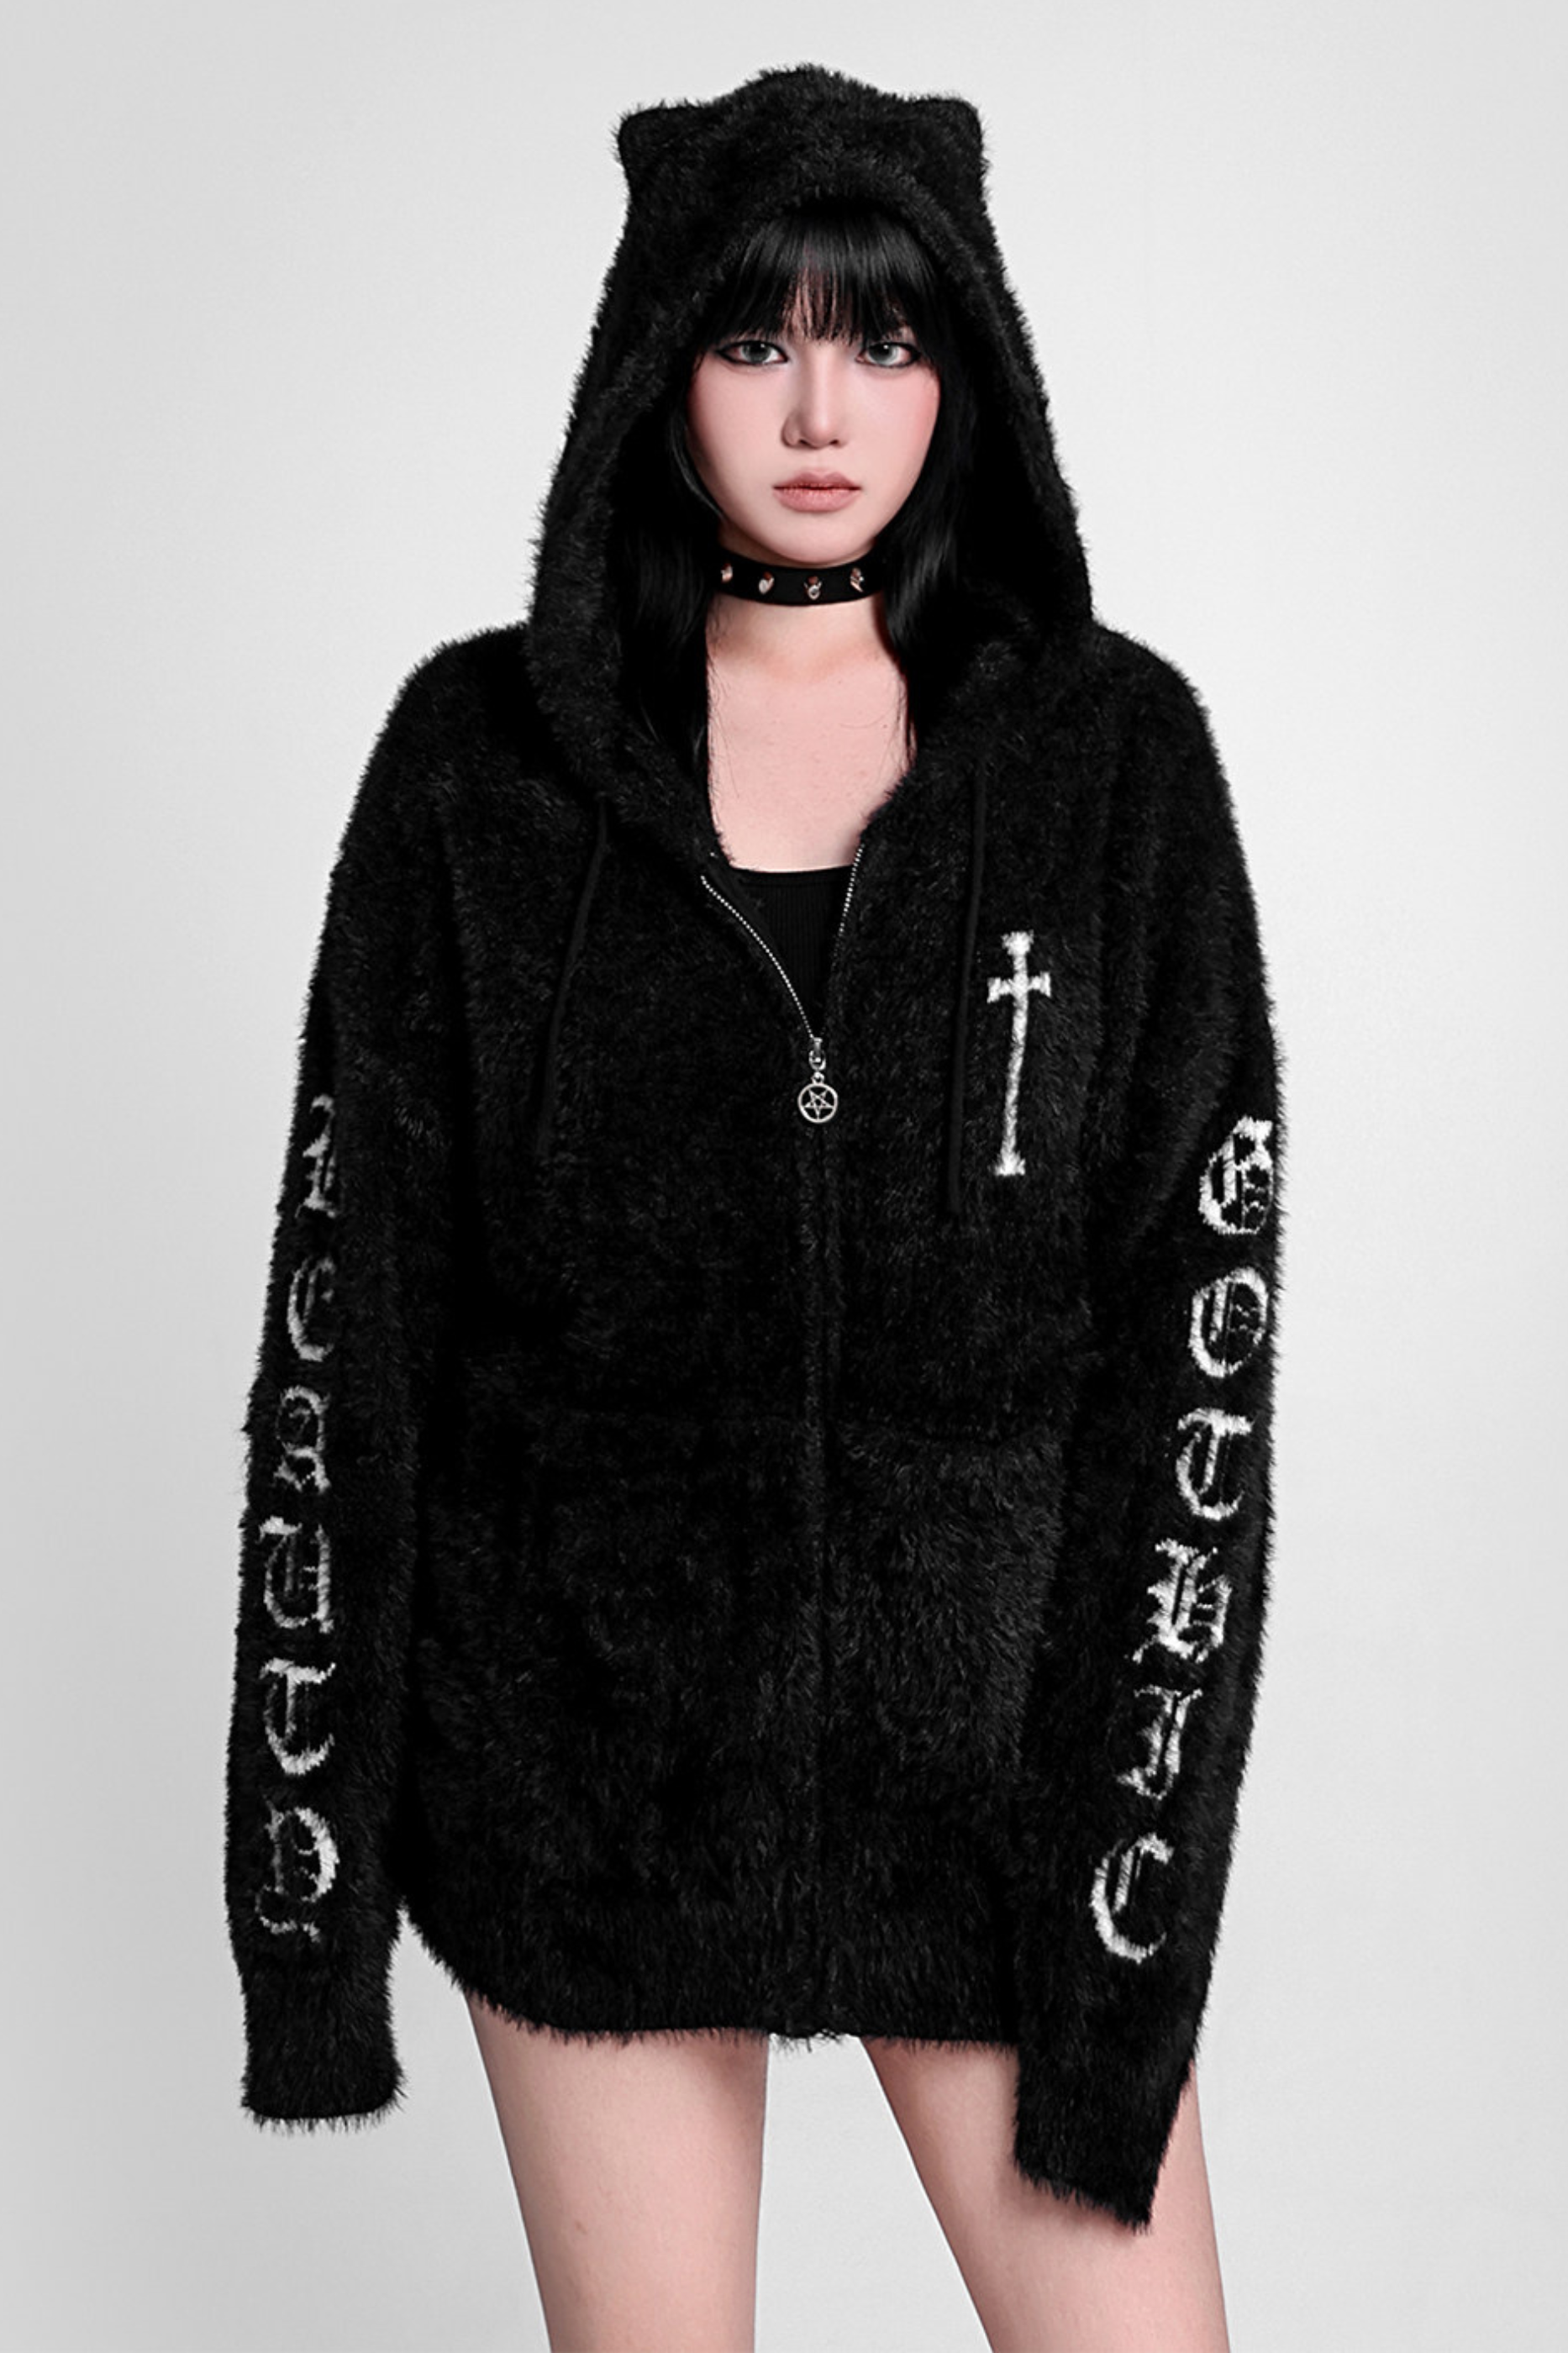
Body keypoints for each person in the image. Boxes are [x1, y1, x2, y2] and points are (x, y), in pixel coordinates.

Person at [224, 62, 1286, 2353]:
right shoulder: (478, 771)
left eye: (885, 339)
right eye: (756, 337)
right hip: (582, 1785)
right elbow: (347, 1337)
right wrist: (307, 1926)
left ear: (967, 369)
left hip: (991, 1804)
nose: (822, 409)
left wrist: (1124, 1914)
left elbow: (1195, 1369)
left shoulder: (1112, 766)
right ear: (657, 364)